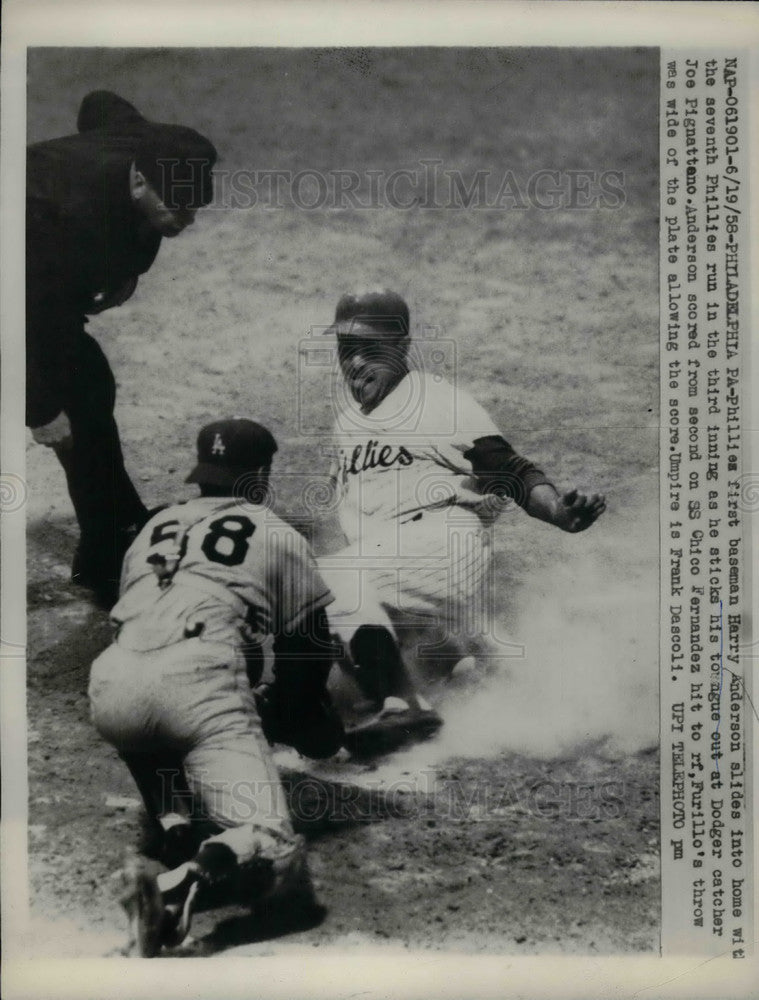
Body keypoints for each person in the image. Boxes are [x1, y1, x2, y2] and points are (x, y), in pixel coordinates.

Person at [88, 418, 344, 957]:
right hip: (201, 690)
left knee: (146, 707)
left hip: (111, 687)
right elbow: (309, 648)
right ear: (261, 475)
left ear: (201, 472)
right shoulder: (274, 531)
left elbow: (129, 624)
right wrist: (299, 717)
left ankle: (174, 821)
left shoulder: (154, 529)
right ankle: (176, 883)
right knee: (273, 839)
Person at [318, 289, 607, 727]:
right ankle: (467, 663)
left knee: (325, 581)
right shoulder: (348, 423)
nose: (355, 363)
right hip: (397, 572)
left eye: (369, 349)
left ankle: (408, 705)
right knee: (334, 688)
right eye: (346, 350)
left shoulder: (436, 402)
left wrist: (558, 513)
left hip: (441, 545)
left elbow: (509, 468)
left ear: (401, 347)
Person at [27, 90, 217, 605]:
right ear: (137, 180)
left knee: (90, 390)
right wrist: (40, 410)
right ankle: (108, 543)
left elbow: (100, 102)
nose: (188, 219)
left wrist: (127, 269)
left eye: (196, 205)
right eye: (176, 206)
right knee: (71, 408)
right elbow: (23, 316)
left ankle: (111, 535)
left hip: (40, 284)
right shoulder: (59, 214)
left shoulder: (144, 144)